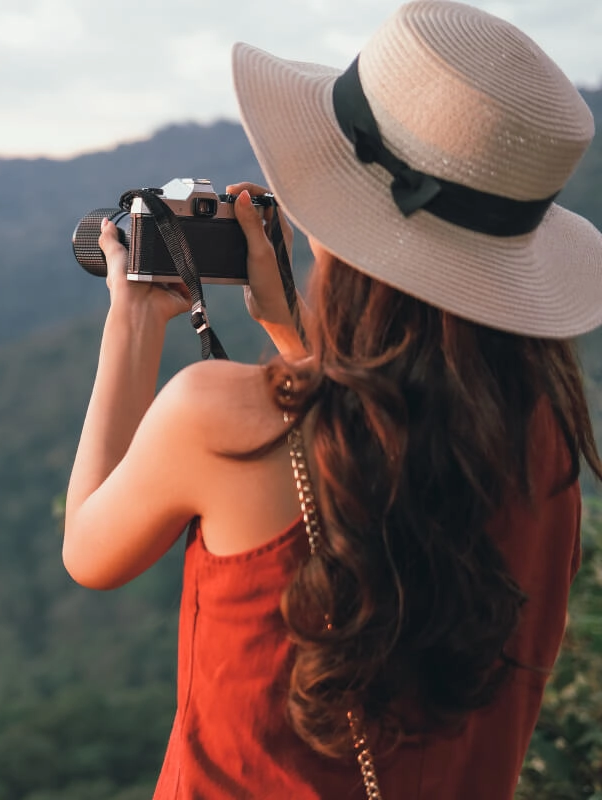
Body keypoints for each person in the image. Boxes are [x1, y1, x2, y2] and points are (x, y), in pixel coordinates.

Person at [63, 1, 602, 797]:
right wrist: (298, 336)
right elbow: (385, 452)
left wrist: (134, 321)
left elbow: (89, 549)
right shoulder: (543, 439)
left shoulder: (220, 418)